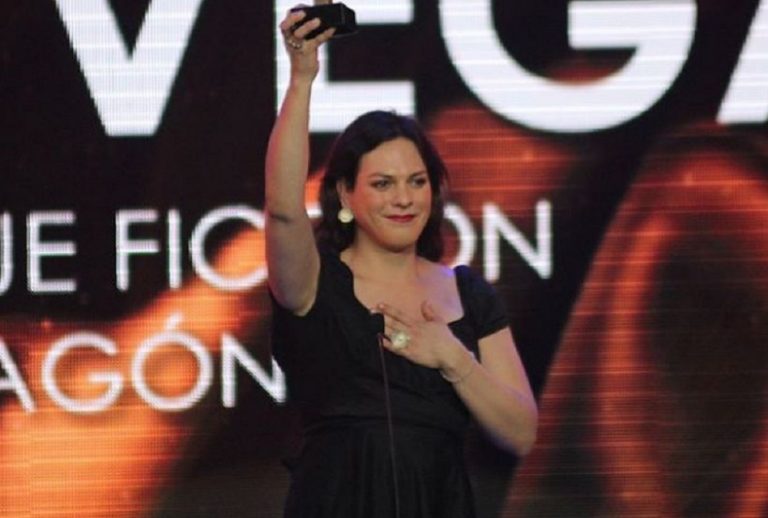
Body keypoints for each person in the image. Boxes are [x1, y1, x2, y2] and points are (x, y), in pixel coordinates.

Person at [265, 8, 538, 517]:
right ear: (345, 194)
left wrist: (453, 359)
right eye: (382, 184)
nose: (404, 199)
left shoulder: (469, 295)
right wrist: (301, 80)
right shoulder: (314, 283)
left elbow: (520, 432)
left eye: (417, 181)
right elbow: (282, 210)